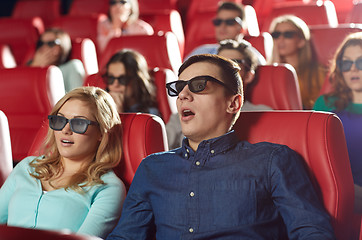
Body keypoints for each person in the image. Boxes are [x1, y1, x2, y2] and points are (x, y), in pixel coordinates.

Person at [107, 54, 336, 239]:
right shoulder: (152, 168)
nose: (183, 95)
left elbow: (312, 233)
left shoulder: (273, 161)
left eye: (198, 85)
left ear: (233, 103)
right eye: (179, 88)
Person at [0, 86, 126, 239]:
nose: (65, 130)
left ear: (101, 132)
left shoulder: (108, 188)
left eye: (79, 123)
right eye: (60, 120)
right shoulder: (28, 167)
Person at [166, 40, 272, 149]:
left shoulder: (264, 114)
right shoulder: (180, 115)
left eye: (232, 62)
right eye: (218, 62)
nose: (182, 95)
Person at [313, 32, 362, 213]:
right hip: (334, 185)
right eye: (347, 63)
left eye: (361, 62)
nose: (354, 70)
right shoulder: (325, 103)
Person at [269, 14, 326, 109]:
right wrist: (275, 66)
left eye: (288, 35)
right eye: (276, 35)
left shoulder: (318, 72)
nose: (280, 39)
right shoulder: (265, 73)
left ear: (301, 41)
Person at [185, 1, 266, 65]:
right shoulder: (199, 52)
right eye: (218, 22)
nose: (222, 26)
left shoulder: (253, 57)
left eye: (230, 22)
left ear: (242, 28)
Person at [103, 49, 160, 116]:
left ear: (137, 80)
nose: (115, 84)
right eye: (111, 78)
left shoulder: (150, 114)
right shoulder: (99, 108)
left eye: (123, 79)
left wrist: (120, 114)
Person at [28, 28, 85, 93]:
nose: (44, 47)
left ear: (63, 46)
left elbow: (78, 97)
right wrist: (35, 67)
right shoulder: (30, 65)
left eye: (51, 44)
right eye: (41, 43)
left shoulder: (71, 66)